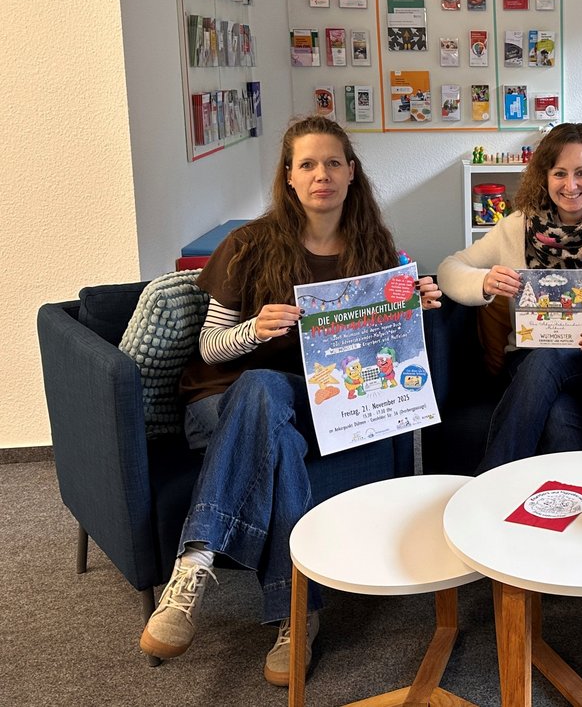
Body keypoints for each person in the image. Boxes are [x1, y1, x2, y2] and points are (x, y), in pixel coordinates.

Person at [138, 116, 442, 686]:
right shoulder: (248, 245)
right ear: (289, 176)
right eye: (307, 164)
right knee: (261, 388)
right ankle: (291, 612)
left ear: (351, 173)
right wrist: (254, 330)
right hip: (223, 401)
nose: (321, 174)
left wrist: (414, 308)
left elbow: (380, 352)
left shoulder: (376, 249)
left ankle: (202, 563)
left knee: (277, 421)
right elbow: (210, 345)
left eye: (332, 163)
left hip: (316, 403)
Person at [437, 122, 582, 634]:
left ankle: (485, 495)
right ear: (544, 176)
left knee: (545, 362)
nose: (571, 184)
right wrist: (484, 280)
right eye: (560, 173)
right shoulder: (517, 227)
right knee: (556, 410)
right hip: (537, 369)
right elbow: (450, 268)